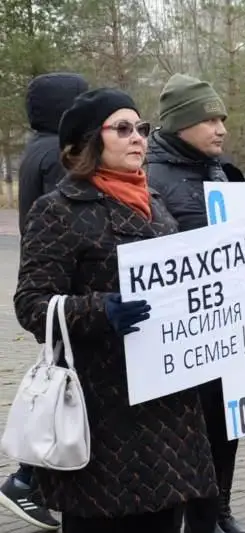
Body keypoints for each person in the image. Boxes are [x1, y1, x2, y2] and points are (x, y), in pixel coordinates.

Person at [13, 87, 218, 533]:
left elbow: (186, 282)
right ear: (90, 141)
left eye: (142, 129)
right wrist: (99, 310)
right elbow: (31, 305)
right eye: (122, 129)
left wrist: (239, 291)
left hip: (170, 408)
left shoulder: (156, 205)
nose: (138, 138)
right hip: (106, 411)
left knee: (165, 520)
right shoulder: (59, 211)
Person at [145, 73, 245, 533]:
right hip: (176, 338)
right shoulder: (150, 177)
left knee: (225, 430)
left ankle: (217, 510)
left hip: (225, 331)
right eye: (209, 119)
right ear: (179, 123)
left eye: (222, 118)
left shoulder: (223, 171)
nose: (221, 129)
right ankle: (188, 516)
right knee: (185, 440)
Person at [1, 71, 88, 532]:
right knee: (64, 390)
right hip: (66, 291)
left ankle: (36, 478)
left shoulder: (38, 148)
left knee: (63, 384)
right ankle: (26, 479)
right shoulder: (58, 156)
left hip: (53, 285)